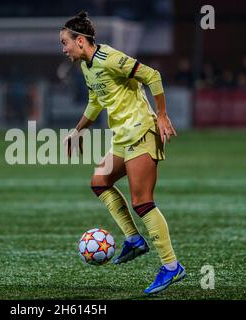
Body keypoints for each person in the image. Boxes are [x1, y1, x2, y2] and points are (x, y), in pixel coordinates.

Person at [60, 11, 185, 295]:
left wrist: (162, 116)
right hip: (122, 137)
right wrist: (77, 130)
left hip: (141, 131)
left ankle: (171, 266)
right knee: (99, 182)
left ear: (80, 41)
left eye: (65, 42)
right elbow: (95, 101)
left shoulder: (110, 59)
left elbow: (152, 75)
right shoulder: (86, 67)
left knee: (142, 203)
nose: (63, 48)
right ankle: (134, 239)